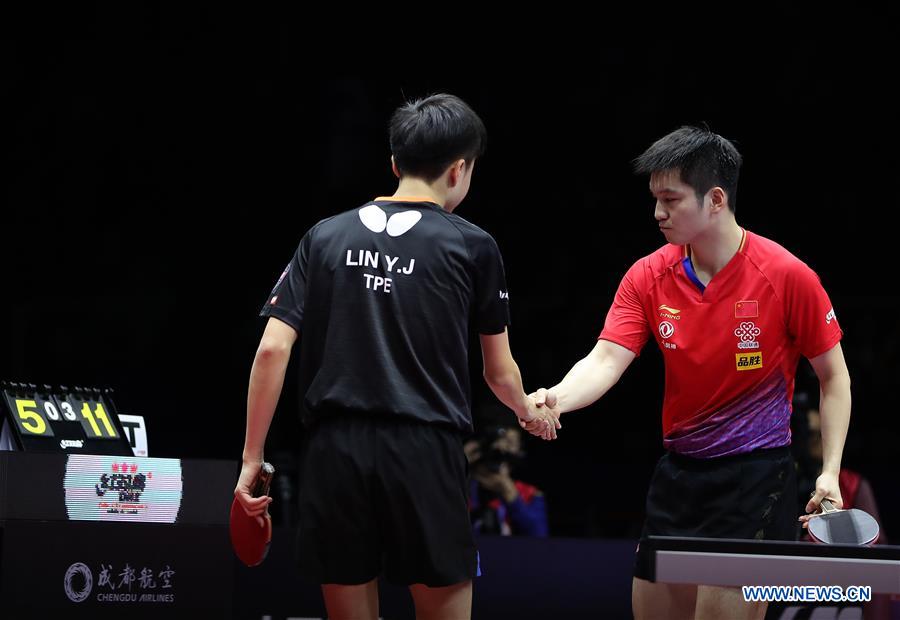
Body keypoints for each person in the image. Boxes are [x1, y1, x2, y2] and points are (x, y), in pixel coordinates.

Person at [234, 93, 559, 620]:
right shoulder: (474, 247)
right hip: (425, 453)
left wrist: (253, 458)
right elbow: (499, 373)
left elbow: (272, 349)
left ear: (394, 163)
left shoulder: (324, 236)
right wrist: (528, 411)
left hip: (335, 453)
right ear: (459, 170)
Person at [528, 126, 851, 620]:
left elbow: (834, 377)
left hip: (756, 476)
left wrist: (829, 470)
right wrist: (558, 397)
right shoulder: (648, 275)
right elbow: (606, 358)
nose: (657, 212)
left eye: (670, 199)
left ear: (715, 199)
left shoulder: (786, 275)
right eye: (655, 198)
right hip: (678, 476)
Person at [465, 421, 549, 537]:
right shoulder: (461, 488)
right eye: (496, 441)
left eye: (510, 443)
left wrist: (510, 493)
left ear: (520, 452)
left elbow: (539, 536)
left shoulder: (529, 494)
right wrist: (460, 462)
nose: (501, 447)